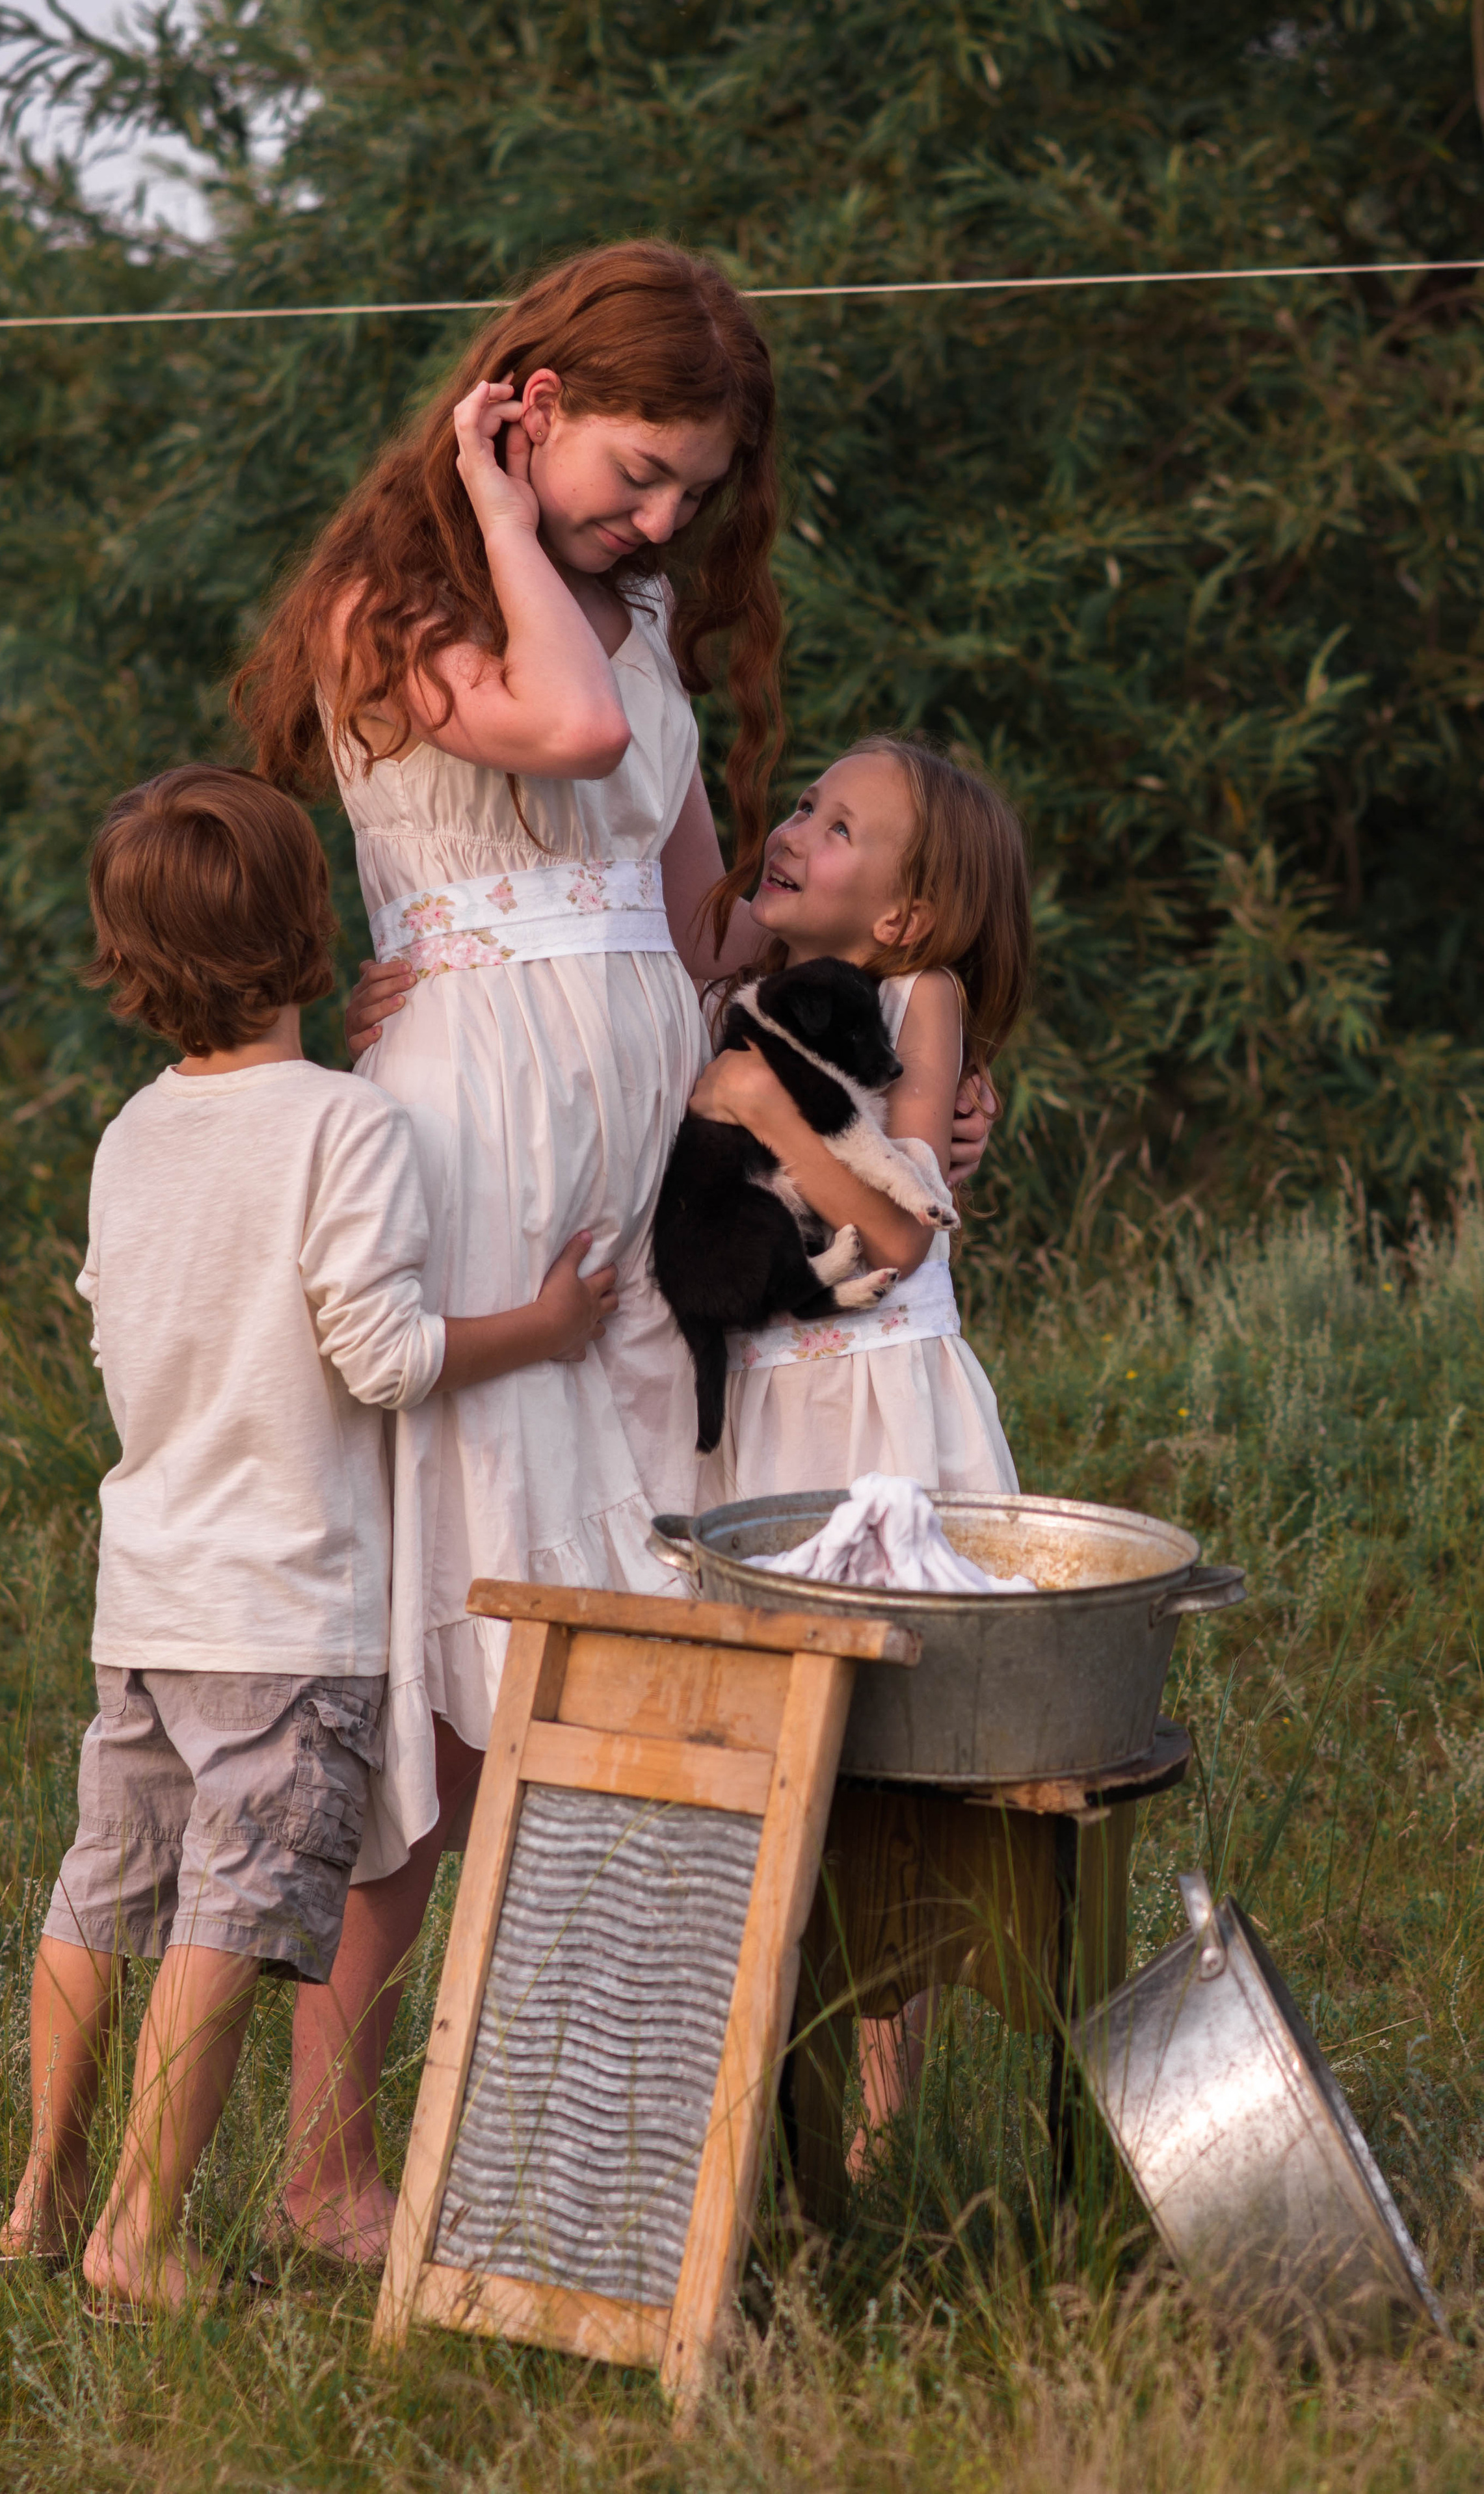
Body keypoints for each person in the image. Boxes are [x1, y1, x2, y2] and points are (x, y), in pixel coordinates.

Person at [235, 241, 997, 2263]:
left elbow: (704, 933)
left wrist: (897, 1089)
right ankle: (327, 2167)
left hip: (638, 1173)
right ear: (533, 403)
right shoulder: (396, 600)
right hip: (480, 1155)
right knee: (461, 1668)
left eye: (693, 492)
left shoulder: (636, 615)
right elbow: (568, 736)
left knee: (636, 1611)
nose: (660, 524)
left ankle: (619, 2129)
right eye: (636, 470)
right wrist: (492, 507)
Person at [0, 765, 615, 2311]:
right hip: (283, 1608)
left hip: (148, 1591)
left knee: (101, 1893)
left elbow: (121, 1328)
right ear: (312, 922)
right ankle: (138, 2234)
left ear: (129, 959)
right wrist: (542, 1326)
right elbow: (384, 1357)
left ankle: (40, 2195)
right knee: (227, 1913)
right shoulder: (351, 1124)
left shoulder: (132, 1134)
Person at [684, 733, 1030, 2158]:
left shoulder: (914, 997)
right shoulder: (738, 988)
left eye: (838, 828)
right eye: (804, 806)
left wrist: (762, 1104)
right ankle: (768, 2107)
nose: (792, 831)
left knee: (896, 1754)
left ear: (901, 916)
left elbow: (892, 1236)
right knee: (769, 1743)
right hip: (766, 1408)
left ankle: (886, 2123)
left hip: (880, 1413)